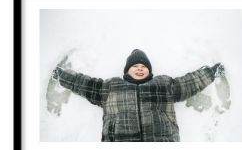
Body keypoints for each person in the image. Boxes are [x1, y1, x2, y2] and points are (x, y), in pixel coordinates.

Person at [52, 49, 225, 142]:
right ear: (127, 71)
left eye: (144, 66)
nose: (140, 68)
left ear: (150, 71)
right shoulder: (111, 87)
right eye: (135, 66)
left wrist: (210, 73)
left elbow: (188, 82)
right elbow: (86, 85)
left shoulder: (163, 84)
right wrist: (63, 76)